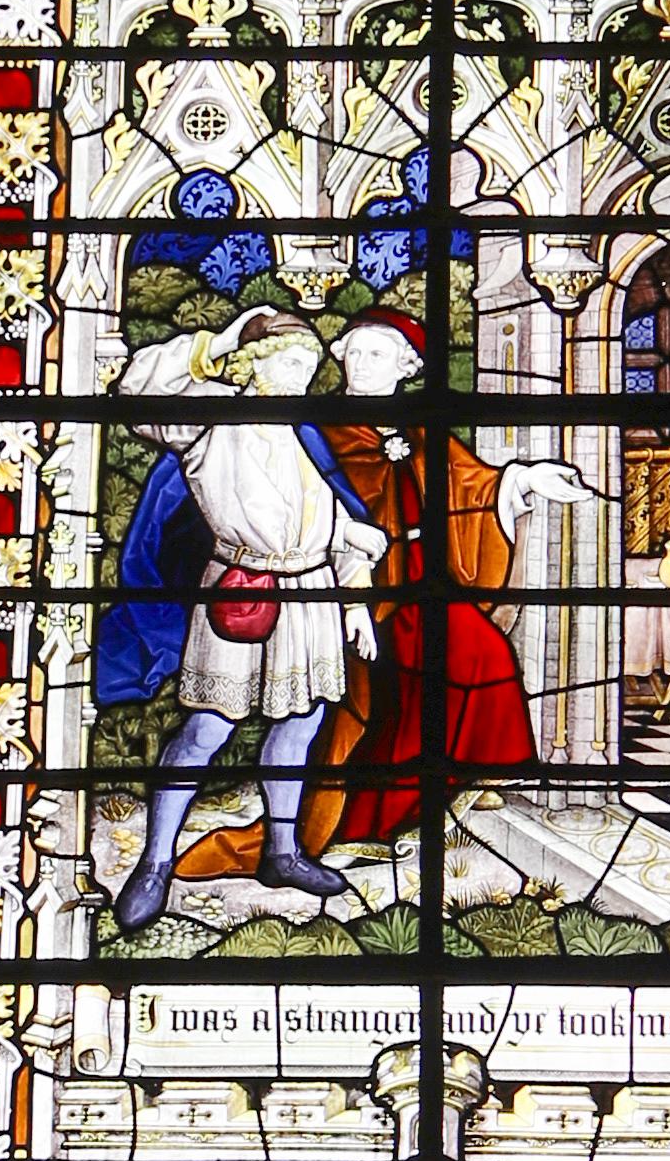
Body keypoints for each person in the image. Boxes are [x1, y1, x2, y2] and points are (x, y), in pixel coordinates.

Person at [103, 306, 373, 929]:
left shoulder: (303, 436)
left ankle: (282, 851)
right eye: (291, 362)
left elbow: (328, 519)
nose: (303, 376)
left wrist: (356, 596)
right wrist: (221, 339)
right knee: (207, 728)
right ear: (255, 364)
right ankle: (155, 863)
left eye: (309, 366)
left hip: (310, 591)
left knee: (300, 723)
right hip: (238, 586)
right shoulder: (210, 419)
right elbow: (136, 391)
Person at [299, 314, 540, 855]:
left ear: (405, 367)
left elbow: (471, 482)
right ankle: (373, 813)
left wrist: (523, 477)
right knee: (393, 688)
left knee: (483, 654)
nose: (360, 365)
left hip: (422, 575)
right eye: (353, 353)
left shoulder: (421, 426)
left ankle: (459, 774)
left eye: (376, 355)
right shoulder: (321, 428)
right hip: (354, 580)